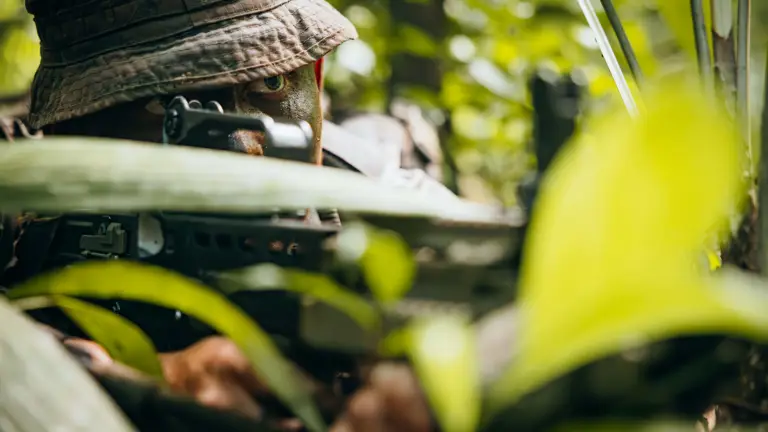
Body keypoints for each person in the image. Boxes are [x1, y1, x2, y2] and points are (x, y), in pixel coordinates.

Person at [1, 0, 476, 430]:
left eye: (270, 84)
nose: (243, 148)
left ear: (316, 76)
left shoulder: (392, 207)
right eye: (163, 103)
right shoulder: (17, 194)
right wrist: (132, 379)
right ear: (72, 122)